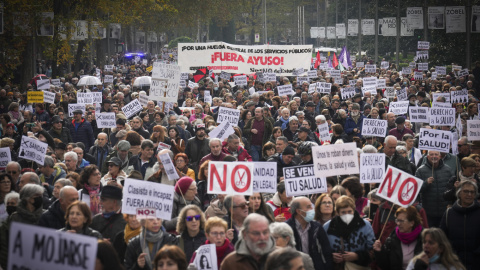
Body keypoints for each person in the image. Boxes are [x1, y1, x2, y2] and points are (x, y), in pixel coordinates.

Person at [324, 195, 375, 269]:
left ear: (354, 210)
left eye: (349, 211)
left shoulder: (365, 225)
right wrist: (331, 256)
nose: (347, 214)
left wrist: (357, 256)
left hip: (359, 266)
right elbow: (322, 250)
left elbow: (372, 251)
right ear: (337, 212)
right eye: (343, 212)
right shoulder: (328, 227)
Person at [440, 180, 480, 270]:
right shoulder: (449, 214)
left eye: (472, 192)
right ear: (459, 193)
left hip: (476, 263)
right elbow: (442, 238)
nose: (469, 194)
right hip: (454, 263)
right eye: (466, 191)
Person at [286, 196, 333, 269]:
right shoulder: (287, 228)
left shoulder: (317, 227)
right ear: (299, 211)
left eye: (311, 206)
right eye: (308, 207)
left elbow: (326, 251)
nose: (312, 209)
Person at [416, 150, 453, 227]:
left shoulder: (448, 170)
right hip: (429, 212)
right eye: (431, 154)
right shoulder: (420, 170)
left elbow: (451, 189)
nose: (434, 156)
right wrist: (426, 183)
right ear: (428, 157)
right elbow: (416, 190)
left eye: (436, 154)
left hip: (444, 210)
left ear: (440, 156)